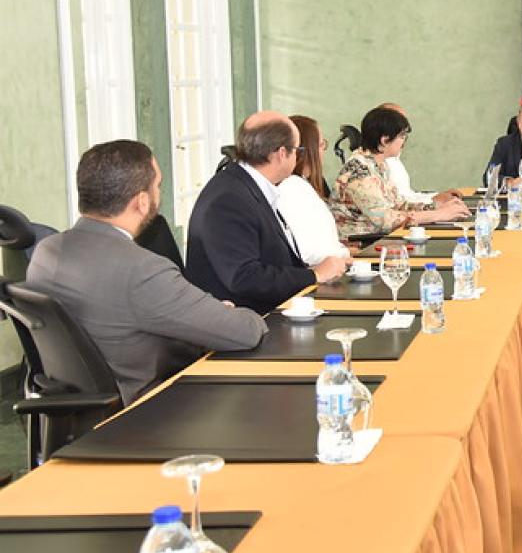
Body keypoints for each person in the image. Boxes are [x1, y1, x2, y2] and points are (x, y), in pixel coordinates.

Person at [25, 140, 266, 404]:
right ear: (141, 201)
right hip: (147, 411)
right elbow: (245, 333)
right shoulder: (141, 269)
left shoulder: (45, 251)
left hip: (82, 407)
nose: (159, 193)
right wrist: (229, 315)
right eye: (157, 186)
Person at [187, 111, 347, 315]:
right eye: (297, 149)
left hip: (266, 310)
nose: (298, 156)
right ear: (282, 153)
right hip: (246, 321)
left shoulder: (246, 185)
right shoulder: (229, 200)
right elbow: (244, 278)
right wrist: (314, 275)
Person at [333, 106, 471, 237]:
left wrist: (437, 206)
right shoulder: (359, 172)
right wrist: (439, 214)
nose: (404, 142)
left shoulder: (379, 165)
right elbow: (385, 220)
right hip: (362, 244)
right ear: (384, 140)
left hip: (379, 237)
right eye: (402, 136)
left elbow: (399, 205)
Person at [278, 115, 350, 266]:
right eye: (321, 144)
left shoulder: (300, 184)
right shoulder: (291, 188)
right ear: (308, 149)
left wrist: (343, 251)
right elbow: (308, 251)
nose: (324, 150)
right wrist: (343, 254)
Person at [379, 102, 462, 206]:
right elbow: (396, 205)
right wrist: (433, 201)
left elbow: (408, 195)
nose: (404, 139)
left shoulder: (393, 159)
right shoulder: (378, 163)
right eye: (402, 134)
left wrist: (435, 196)